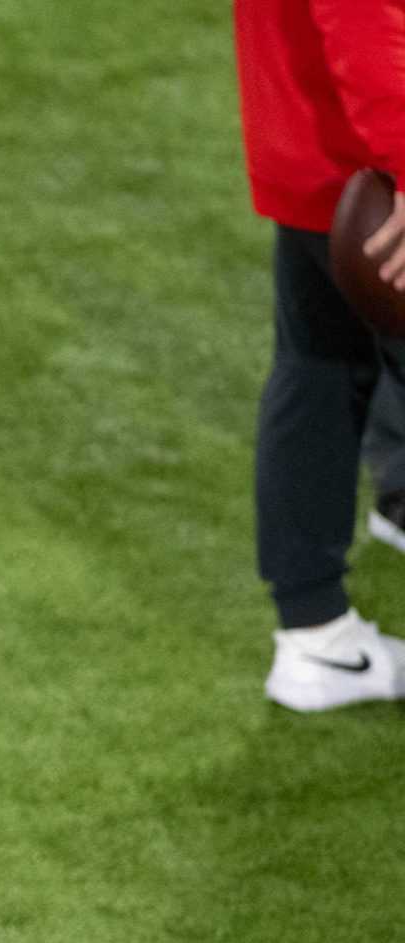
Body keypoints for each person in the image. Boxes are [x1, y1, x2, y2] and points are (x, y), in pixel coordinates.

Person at [235, 0, 405, 707]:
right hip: (377, 181)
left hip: (313, 153)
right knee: (319, 372)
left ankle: (317, 638)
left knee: (318, 370)